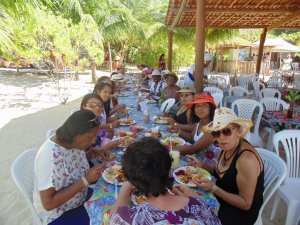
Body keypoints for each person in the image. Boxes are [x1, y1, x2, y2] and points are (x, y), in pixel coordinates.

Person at [175, 107, 264, 225]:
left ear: (239, 132)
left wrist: (214, 188)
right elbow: (222, 172)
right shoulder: (228, 146)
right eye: (216, 132)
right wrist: (201, 165)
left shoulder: (246, 160)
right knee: (181, 196)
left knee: (188, 209)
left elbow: (246, 203)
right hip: (221, 196)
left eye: (227, 131)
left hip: (238, 213)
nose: (221, 137)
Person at [109, 137, 221, 225]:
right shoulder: (200, 207)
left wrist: (126, 186)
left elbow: (113, 218)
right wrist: (194, 199)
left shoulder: (132, 218)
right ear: (168, 169)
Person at [33, 110, 107, 225]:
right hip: (59, 214)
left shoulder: (71, 143)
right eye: (90, 137)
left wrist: (91, 154)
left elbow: (70, 166)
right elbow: (48, 204)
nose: (93, 141)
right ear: (75, 135)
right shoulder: (50, 156)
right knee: (107, 216)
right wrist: (86, 180)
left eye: (95, 136)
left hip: (80, 198)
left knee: (111, 199)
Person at [173, 92, 220, 168]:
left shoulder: (213, 127)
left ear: (211, 108)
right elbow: (192, 138)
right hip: (197, 161)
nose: (200, 109)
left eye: (205, 105)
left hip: (208, 169)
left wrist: (168, 148)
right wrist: (179, 131)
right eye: (197, 106)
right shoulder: (200, 122)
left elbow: (193, 149)